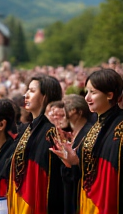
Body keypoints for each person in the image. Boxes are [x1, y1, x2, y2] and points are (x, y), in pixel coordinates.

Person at [51, 68, 123, 214]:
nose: (87, 98)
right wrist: (73, 162)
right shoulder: (96, 126)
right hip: (88, 202)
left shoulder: (119, 128)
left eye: (93, 92)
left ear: (110, 95)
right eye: (87, 92)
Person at [7, 74, 64, 214]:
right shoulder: (26, 128)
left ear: (45, 96)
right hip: (18, 199)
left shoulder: (52, 132)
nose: (25, 95)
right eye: (27, 90)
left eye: (32, 91)